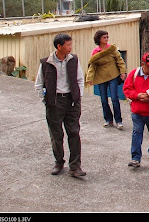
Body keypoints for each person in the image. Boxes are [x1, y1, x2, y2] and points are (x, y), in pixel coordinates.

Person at [34, 33, 86, 178]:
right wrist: (46, 101)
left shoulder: (74, 60)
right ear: (59, 46)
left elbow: (80, 79)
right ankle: (59, 162)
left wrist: (78, 96)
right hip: (55, 102)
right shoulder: (46, 63)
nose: (70, 47)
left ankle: (75, 166)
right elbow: (39, 84)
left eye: (71, 44)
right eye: (68, 45)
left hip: (72, 101)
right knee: (56, 134)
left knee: (74, 132)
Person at [86, 30, 127, 130]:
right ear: (99, 39)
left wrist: (123, 72)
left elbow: (120, 60)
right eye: (104, 37)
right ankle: (108, 119)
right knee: (104, 100)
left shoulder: (112, 49)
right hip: (101, 78)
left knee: (114, 98)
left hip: (113, 75)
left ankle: (118, 120)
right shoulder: (96, 52)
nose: (106, 38)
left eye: (107, 37)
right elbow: (92, 66)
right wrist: (89, 78)